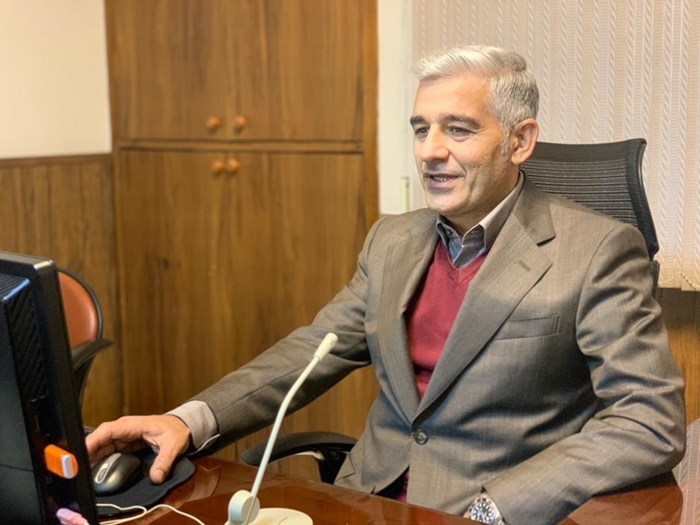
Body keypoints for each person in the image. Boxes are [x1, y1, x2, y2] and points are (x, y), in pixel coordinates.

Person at [86, 45, 686, 525]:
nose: (430, 152)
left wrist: (500, 507)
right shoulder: (392, 239)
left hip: (484, 510)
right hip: (361, 499)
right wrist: (190, 420)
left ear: (520, 141)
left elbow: (647, 421)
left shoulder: (597, 249)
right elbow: (314, 350)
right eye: (421, 129)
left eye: (458, 129)